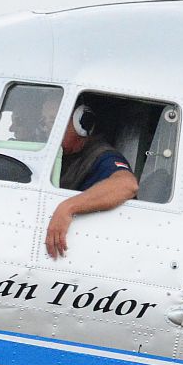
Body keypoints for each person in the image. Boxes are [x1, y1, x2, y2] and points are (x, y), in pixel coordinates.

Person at [46, 105, 138, 259]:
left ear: (81, 124)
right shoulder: (58, 154)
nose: (46, 131)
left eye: (52, 123)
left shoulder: (101, 155)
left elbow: (127, 184)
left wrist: (68, 207)